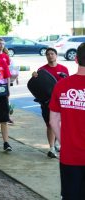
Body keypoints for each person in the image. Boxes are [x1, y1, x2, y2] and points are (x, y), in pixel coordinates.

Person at [49, 42, 85, 199]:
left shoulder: (61, 85)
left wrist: (66, 142)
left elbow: (53, 121)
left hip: (69, 155)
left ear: (76, 59)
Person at [32, 47, 69, 158]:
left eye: (52, 53)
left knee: (60, 124)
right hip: (47, 103)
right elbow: (37, 87)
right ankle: (52, 148)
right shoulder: (42, 70)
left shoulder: (64, 68)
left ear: (56, 55)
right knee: (50, 125)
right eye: (48, 54)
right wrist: (34, 77)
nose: (50, 56)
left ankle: (57, 145)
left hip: (61, 102)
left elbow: (68, 84)